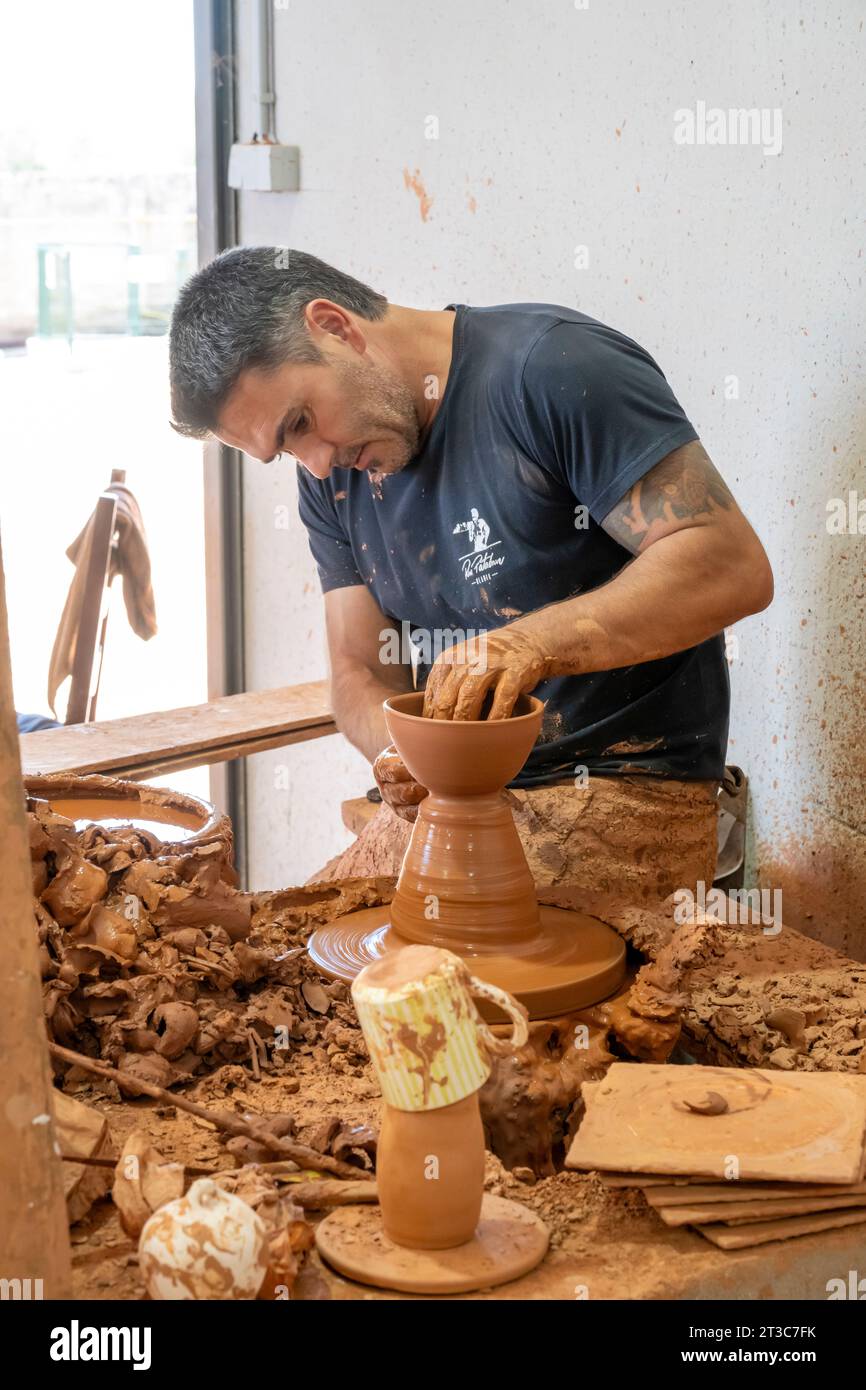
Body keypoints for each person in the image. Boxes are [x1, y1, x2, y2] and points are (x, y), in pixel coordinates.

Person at [168, 248, 773, 899]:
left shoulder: (552, 370)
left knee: (461, 973)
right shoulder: (334, 475)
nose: (313, 463)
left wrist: (530, 644)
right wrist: (400, 750)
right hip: (452, 803)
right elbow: (358, 671)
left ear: (335, 328)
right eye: (283, 449)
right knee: (275, 951)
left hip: (623, 793)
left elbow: (729, 562)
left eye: (300, 423)